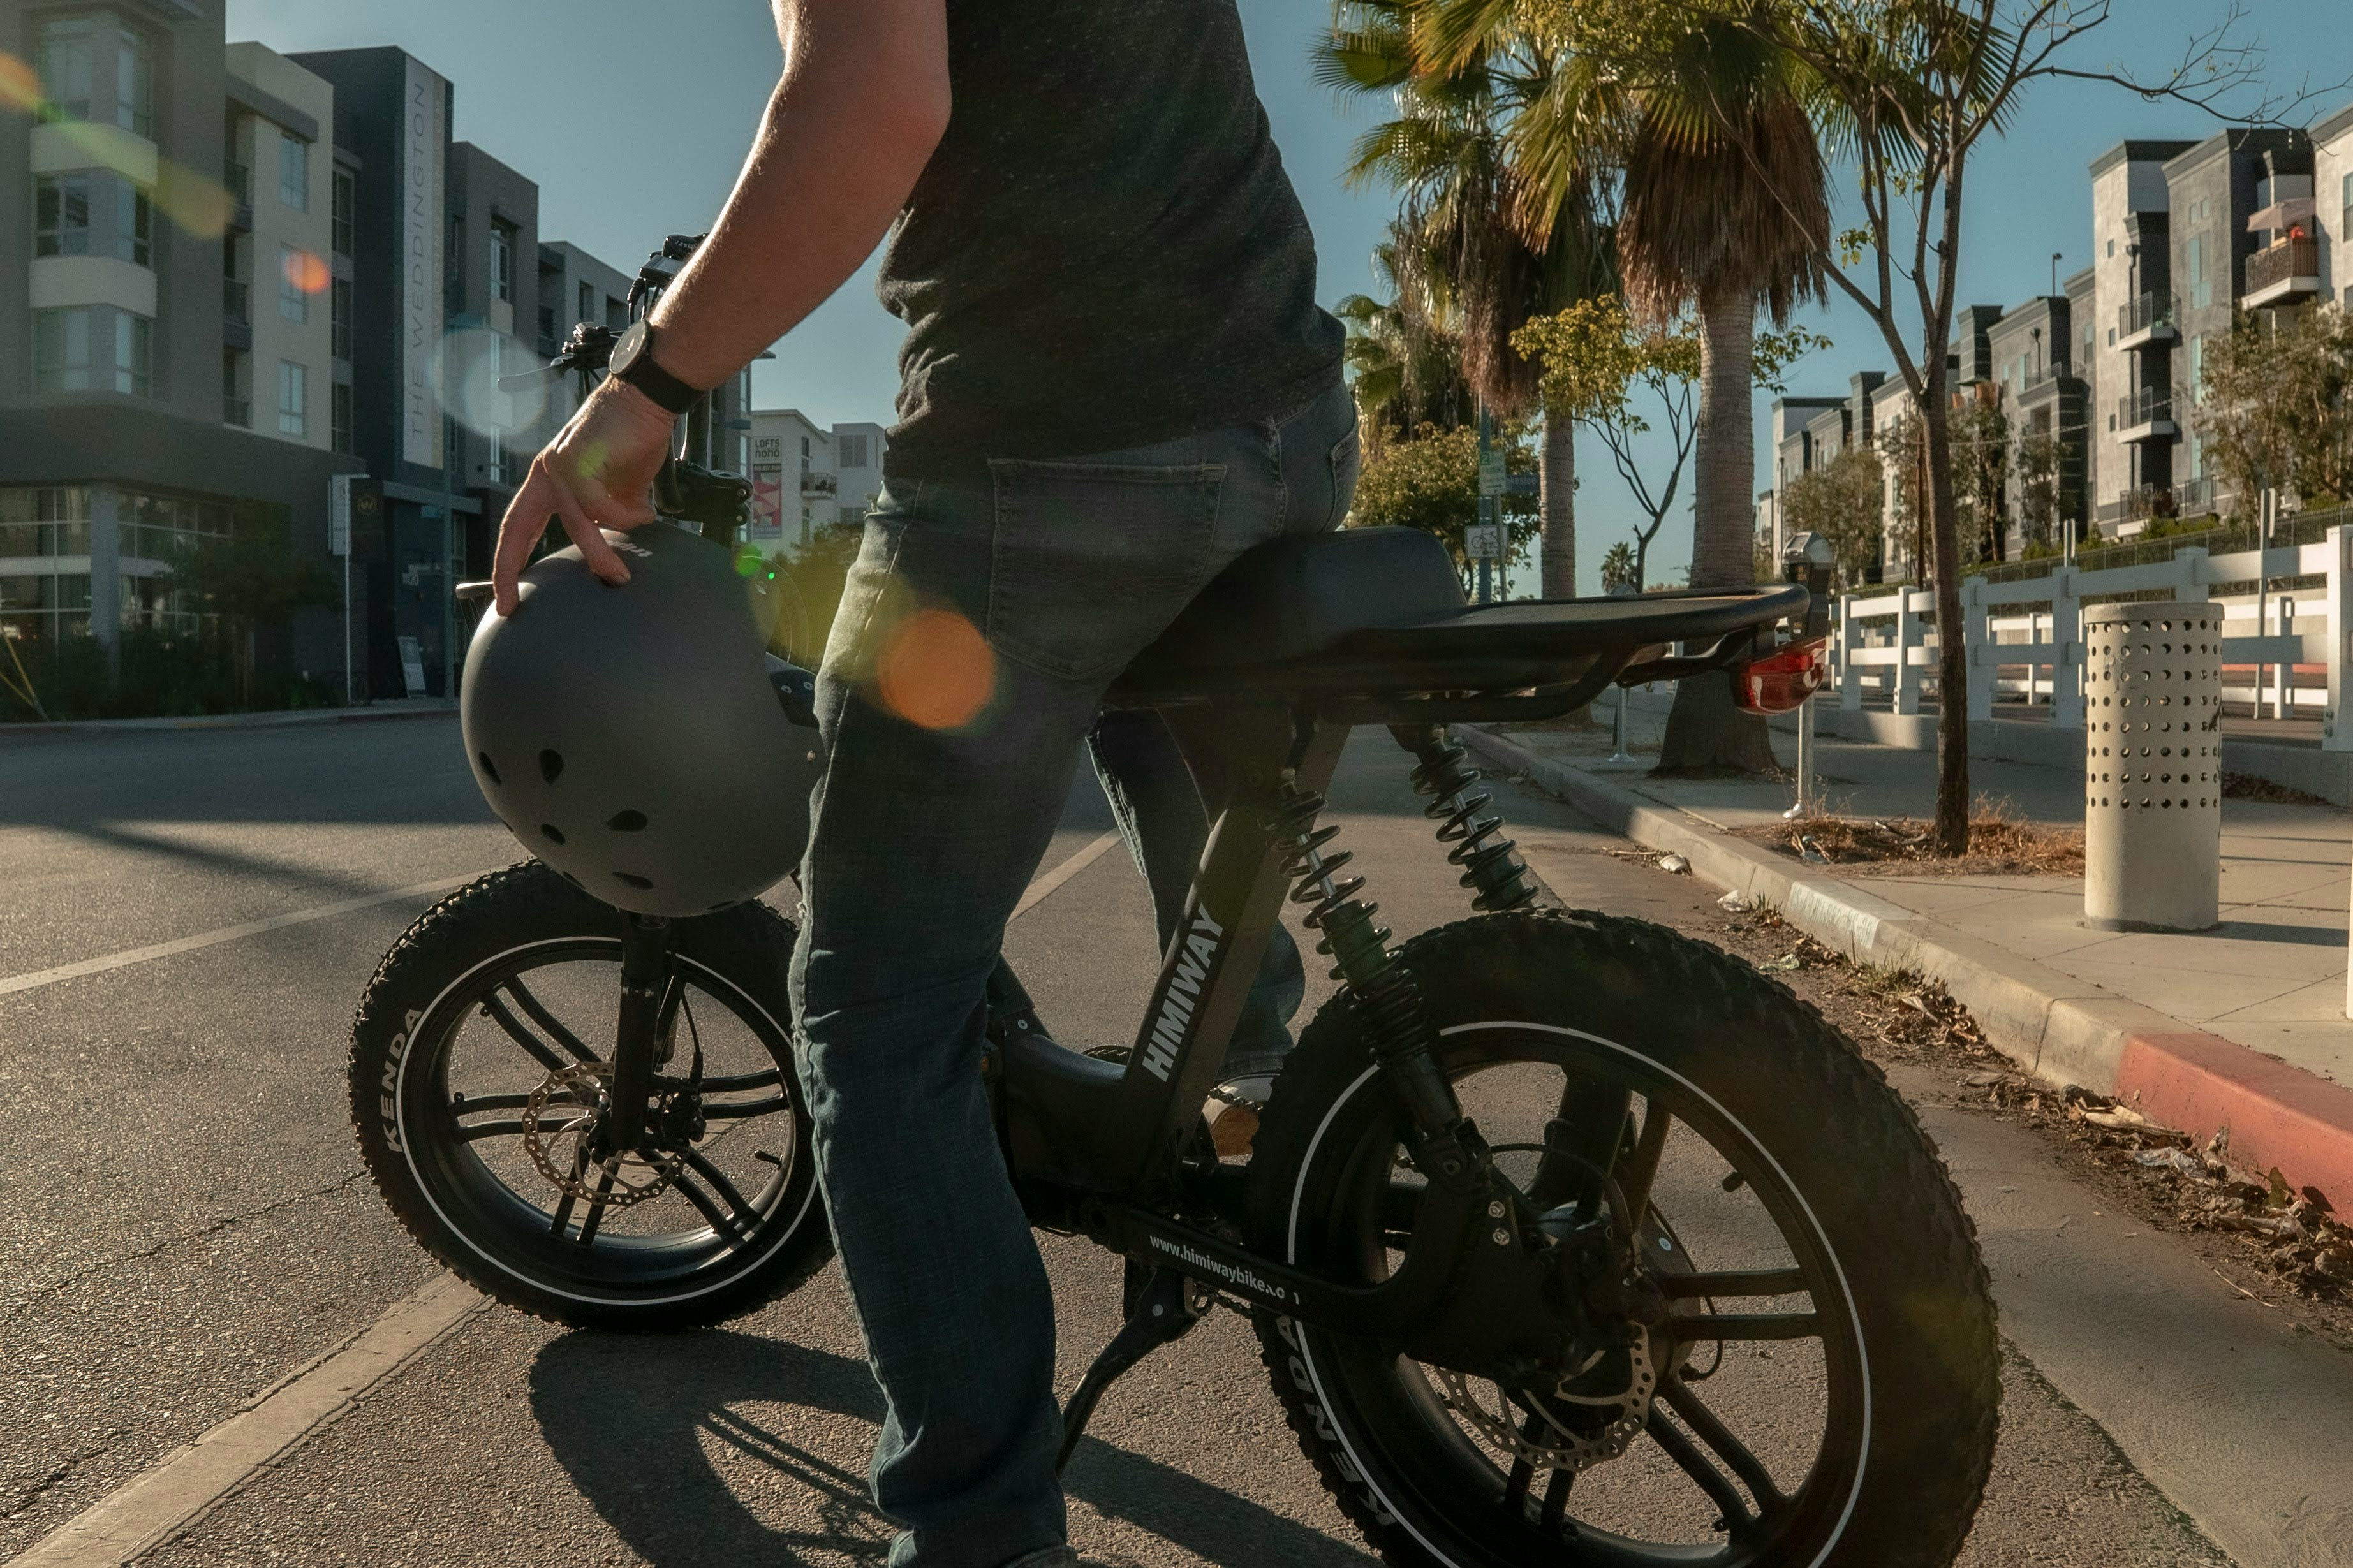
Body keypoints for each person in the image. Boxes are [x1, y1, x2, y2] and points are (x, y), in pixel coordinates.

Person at [491, 3, 1351, 1564]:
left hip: (1063, 454)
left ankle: (981, 1533)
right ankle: (1255, 1094)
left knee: (878, 1003)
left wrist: (642, 388)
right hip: (1286, 416)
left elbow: (873, 99)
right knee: (1141, 704)